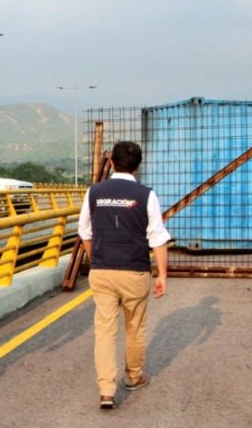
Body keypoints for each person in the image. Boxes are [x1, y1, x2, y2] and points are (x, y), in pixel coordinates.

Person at [78, 141, 171, 410]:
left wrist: (94, 258)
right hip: (135, 270)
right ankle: (133, 377)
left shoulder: (94, 192)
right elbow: (157, 237)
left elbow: (85, 232)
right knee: (135, 327)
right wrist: (162, 274)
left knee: (105, 330)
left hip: (103, 269)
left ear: (112, 163)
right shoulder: (146, 195)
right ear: (138, 165)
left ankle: (106, 390)